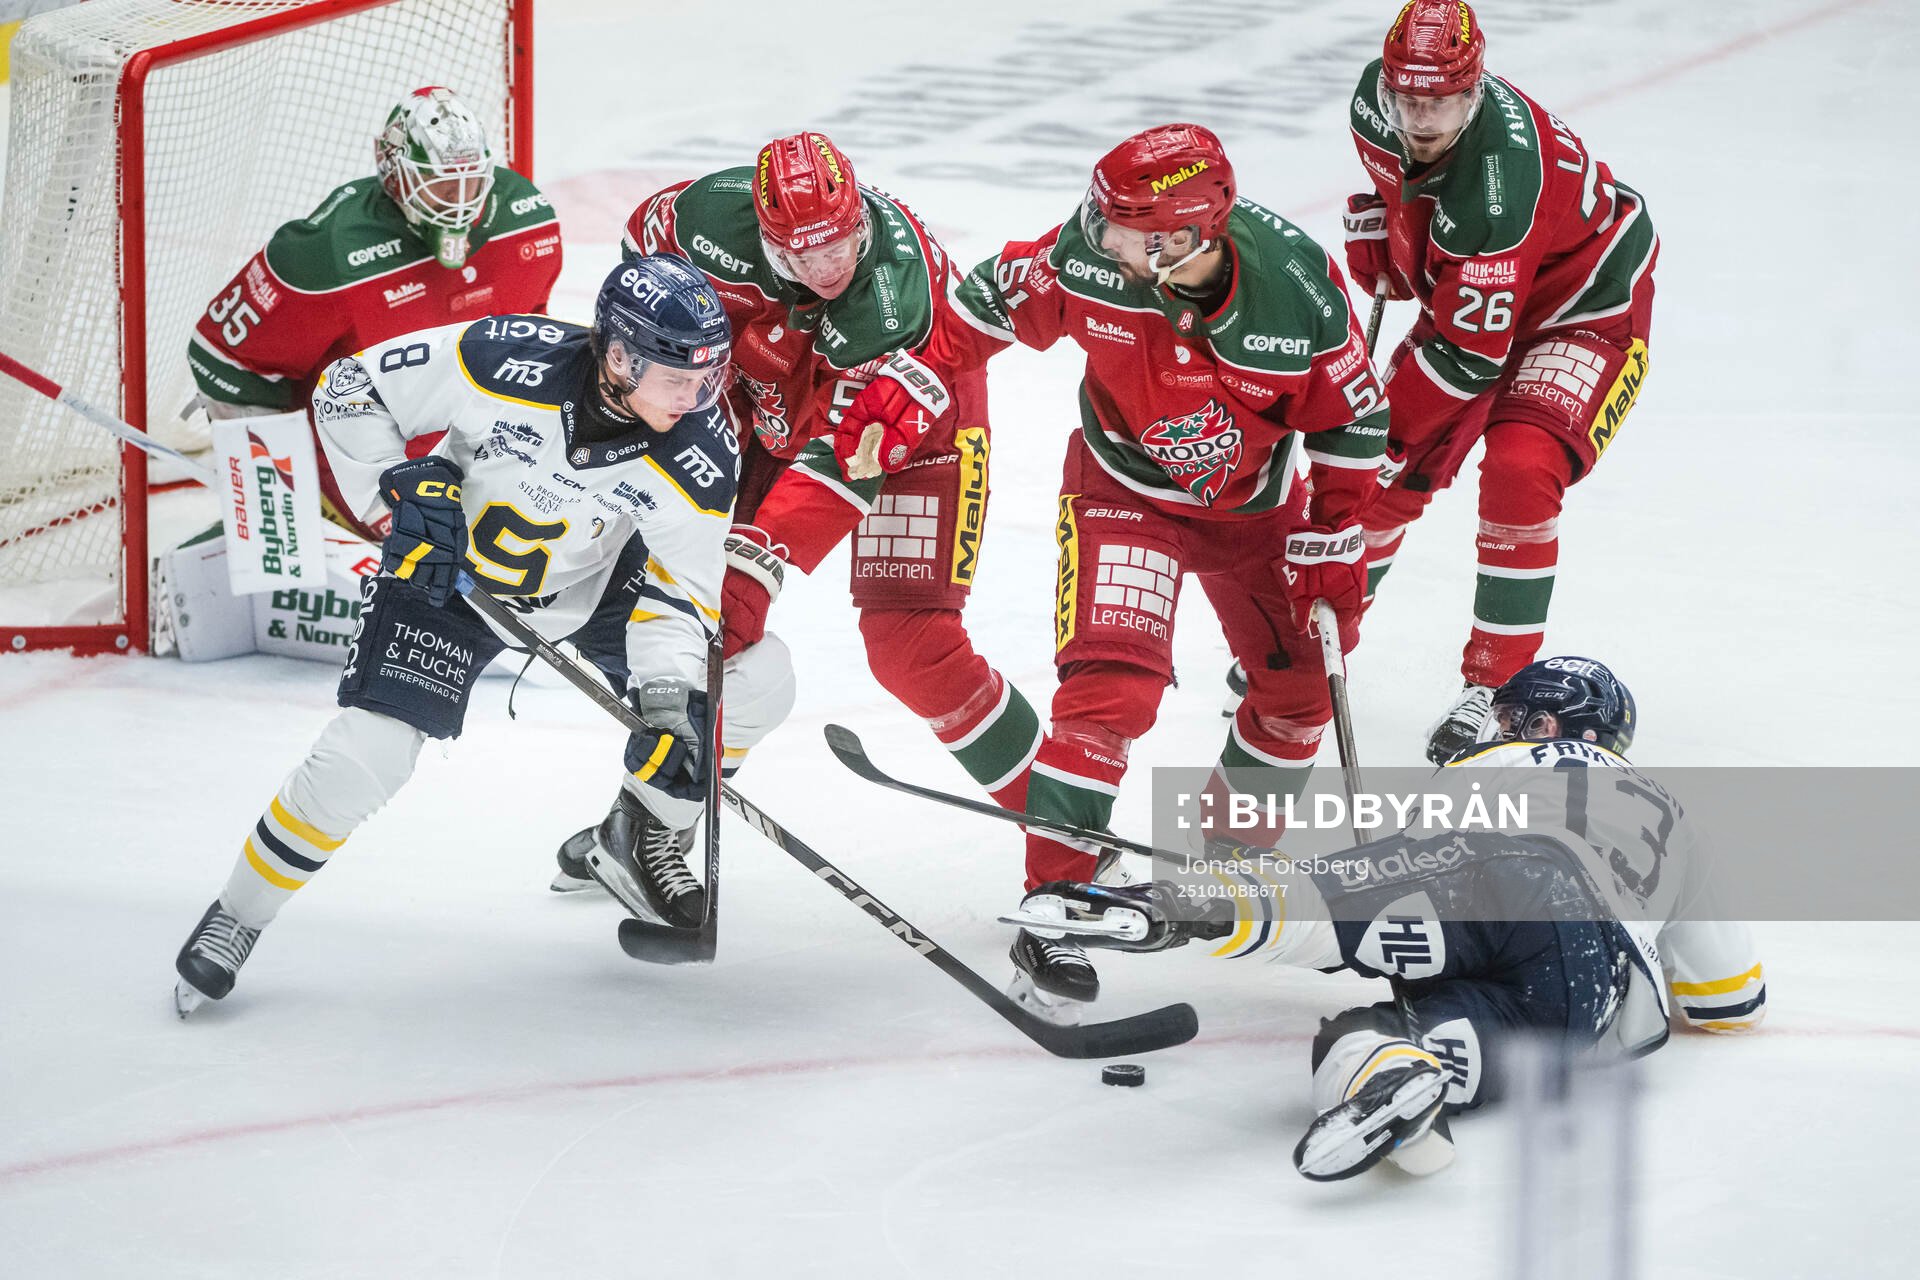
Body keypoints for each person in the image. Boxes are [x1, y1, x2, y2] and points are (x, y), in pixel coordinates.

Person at [172, 257, 792, 1016]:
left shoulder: (700, 453)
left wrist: (667, 707)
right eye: (678, 377)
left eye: (708, 378)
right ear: (622, 357)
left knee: (757, 680)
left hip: (588, 591)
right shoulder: (504, 356)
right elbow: (349, 389)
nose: (697, 396)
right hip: (448, 575)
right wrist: (399, 489)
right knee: (366, 754)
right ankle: (238, 914)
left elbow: (677, 591)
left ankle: (639, 832)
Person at [943, 123, 1391, 1014]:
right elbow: (969, 317)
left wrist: (1336, 535)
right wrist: (899, 385)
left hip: (1255, 514)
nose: (1095, 235)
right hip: (1122, 494)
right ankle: (1055, 905)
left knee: (1299, 690)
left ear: (1183, 237)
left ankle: (1229, 867)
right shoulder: (1085, 257)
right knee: (1110, 690)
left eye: (1120, 227)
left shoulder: (1299, 289)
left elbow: (1354, 420)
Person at [1016, 657, 1764, 1181]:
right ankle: (1405, 1075)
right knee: (1363, 1039)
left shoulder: (1485, 768)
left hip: (1503, 876)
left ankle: (1167, 907)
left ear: (1545, 723)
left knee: (1324, 900)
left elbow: (1413, 860)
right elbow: (1730, 1001)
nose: (1493, 727)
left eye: (1509, 716)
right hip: (1588, 995)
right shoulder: (1676, 816)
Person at [550, 131, 1044, 892]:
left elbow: (847, 459)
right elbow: (637, 278)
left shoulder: (891, 298)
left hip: (908, 427)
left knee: (910, 643)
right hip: (764, 402)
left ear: (859, 213)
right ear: (764, 232)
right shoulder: (699, 222)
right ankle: (651, 821)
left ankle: (1065, 832)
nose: (828, 268)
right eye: (802, 256)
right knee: (699, 617)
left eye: (840, 243)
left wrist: (757, 570)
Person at [1342, 1, 1659, 763]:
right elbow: (1410, 194)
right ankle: (1308, 652)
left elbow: (1464, 358)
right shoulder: (1370, 106)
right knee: (1378, 488)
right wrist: (1389, 228)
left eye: (1442, 102)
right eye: (1407, 99)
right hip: (1482, 301)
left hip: (1585, 308)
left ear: (1475, 90)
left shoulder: (1499, 186)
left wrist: (1383, 442)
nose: (1420, 118)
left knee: (1519, 467)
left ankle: (1497, 687)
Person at [184, 85, 562, 539]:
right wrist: (277, 499)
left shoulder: (527, 219)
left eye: (471, 181)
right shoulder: (329, 252)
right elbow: (222, 356)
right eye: (441, 184)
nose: (459, 200)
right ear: (394, 174)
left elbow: (532, 344)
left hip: (466, 451)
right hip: (358, 459)